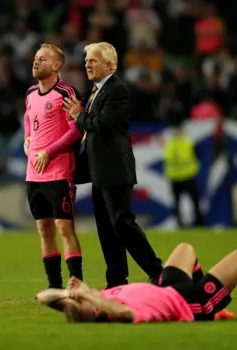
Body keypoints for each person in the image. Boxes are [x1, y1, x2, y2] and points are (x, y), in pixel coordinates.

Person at [62, 42, 163, 288]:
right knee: (107, 228)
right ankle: (116, 280)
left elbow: (103, 123)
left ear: (109, 64)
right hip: (99, 170)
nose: (87, 64)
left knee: (122, 223)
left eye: (93, 60)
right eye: (86, 60)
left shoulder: (117, 89)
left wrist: (79, 116)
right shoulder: (95, 91)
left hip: (115, 168)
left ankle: (157, 272)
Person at [36, 243, 237, 323]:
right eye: (84, 300)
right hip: (189, 303)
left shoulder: (98, 303)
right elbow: (123, 312)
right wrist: (92, 296)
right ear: (96, 310)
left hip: (168, 288)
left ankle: (217, 310)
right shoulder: (117, 312)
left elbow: (42, 296)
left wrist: (71, 294)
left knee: (185, 249)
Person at [25, 44, 84, 288]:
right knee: (44, 228)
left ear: (57, 66)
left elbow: (77, 129)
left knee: (64, 228)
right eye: (36, 58)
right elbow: (28, 119)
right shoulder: (29, 93)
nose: (36, 62)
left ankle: (77, 285)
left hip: (59, 171)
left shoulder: (67, 93)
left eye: (43, 59)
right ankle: (54, 286)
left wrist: (48, 152)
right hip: (34, 173)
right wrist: (27, 139)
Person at [164, 121, 205, 227]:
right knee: (179, 202)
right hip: (178, 177)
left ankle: (198, 222)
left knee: (193, 201)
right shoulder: (175, 143)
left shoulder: (186, 143)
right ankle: (180, 223)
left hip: (186, 176)